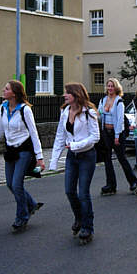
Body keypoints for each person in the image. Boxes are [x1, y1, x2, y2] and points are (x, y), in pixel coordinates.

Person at [0, 80, 45, 231]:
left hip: (24, 150)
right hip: (10, 150)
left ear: (14, 92)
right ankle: (31, 204)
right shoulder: (3, 107)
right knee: (9, 183)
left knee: (16, 184)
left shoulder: (25, 110)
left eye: (6, 88)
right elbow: (0, 128)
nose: (3, 90)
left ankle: (22, 217)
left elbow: (34, 133)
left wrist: (39, 157)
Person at [49, 83, 100, 244]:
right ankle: (79, 217)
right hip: (72, 157)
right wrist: (53, 161)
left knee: (83, 193)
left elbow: (95, 136)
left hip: (87, 156)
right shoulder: (65, 112)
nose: (64, 95)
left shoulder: (89, 113)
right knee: (69, 191)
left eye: (67, 93)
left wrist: (76, 145)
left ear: (76, 94)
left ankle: (87, 227)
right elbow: (59, 136)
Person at [98, 78, 137, 195]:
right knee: (107, 159)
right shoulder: (103, 100)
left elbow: (120, 120)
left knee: (121, 158)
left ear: (116, 88)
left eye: (112, 86)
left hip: (117, 133)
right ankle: (111, 184)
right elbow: (100, 114)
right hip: (106, 132)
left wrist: (117, 136)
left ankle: (133, 181)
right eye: (108, 86)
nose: (110, 88)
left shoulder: (119, 101)